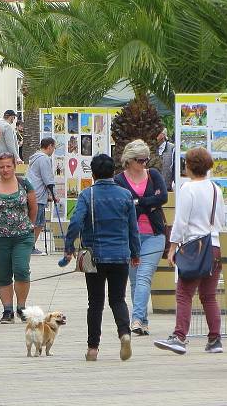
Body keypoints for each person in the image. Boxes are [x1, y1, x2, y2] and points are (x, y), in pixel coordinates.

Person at [63, 153, 140, 362]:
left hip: (93, 256)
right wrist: (136, 253)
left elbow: (76, 222)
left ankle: (93, 348)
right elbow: (133, 228)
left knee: (95, 303)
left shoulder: (87, 195)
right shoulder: (125, 195)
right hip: (120, 255)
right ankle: (124, 333)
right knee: (118, 299)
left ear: (93, 173)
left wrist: (69, 246)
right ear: (113, 172)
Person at [153, 147, 224, 355]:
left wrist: (172, 247)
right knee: (209, 296)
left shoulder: (187, 189)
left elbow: (181, 222)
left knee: (184, 293)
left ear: (189, 166)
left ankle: (179, 336)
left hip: (196, 246)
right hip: (216, 245)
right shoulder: (215, 189)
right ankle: (214, 339)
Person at [114, 139, 168, 336]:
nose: (144, 163)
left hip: (154, 234)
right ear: (129, 160)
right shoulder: (119, 180)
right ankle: (143, 322)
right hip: (130, 235)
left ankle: (135, 319)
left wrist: (138, 202)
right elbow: (123, 203)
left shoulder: (153, 175)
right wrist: (147, 203)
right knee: (135, 280)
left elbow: (162, 198)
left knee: (144, 276)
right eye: (139, 160)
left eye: (146, 159)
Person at [0, 152, 38, 323]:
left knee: (21, 270)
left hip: (22, 236)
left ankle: (21, 307)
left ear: (14, 166)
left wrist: (29, 227)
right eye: (2, 166)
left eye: (8, 166)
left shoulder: (24, 184)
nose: (5, 170)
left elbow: (33, 208)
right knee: (3, 273)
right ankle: (7, 310)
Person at [26, 137, 56, 256]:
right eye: (54, 147)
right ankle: (30, 247)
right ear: (49, 146)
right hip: (38, 194)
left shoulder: (35, 157)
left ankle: (28, 246)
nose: (53, 150)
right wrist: (53, 194)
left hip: (32, 192)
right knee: (37, 222)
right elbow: (47, 178)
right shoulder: (44, 159)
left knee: (34, 221)